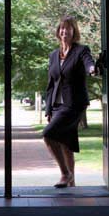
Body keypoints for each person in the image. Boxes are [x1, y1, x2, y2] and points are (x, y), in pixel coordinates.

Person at [42, 15, 97, 188]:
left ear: (74, 32)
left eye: (69, 28)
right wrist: (48, 109)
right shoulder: (53, 55)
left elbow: (88, 63)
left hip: (74, 104)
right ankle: (71, 184)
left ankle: (65, 174)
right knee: (66, 142)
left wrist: (92, 69)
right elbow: (51, 85)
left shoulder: (81, 50)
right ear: (58, 32)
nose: (65, 31)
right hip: (57, 105)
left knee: (48, 134)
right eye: (62, 28)